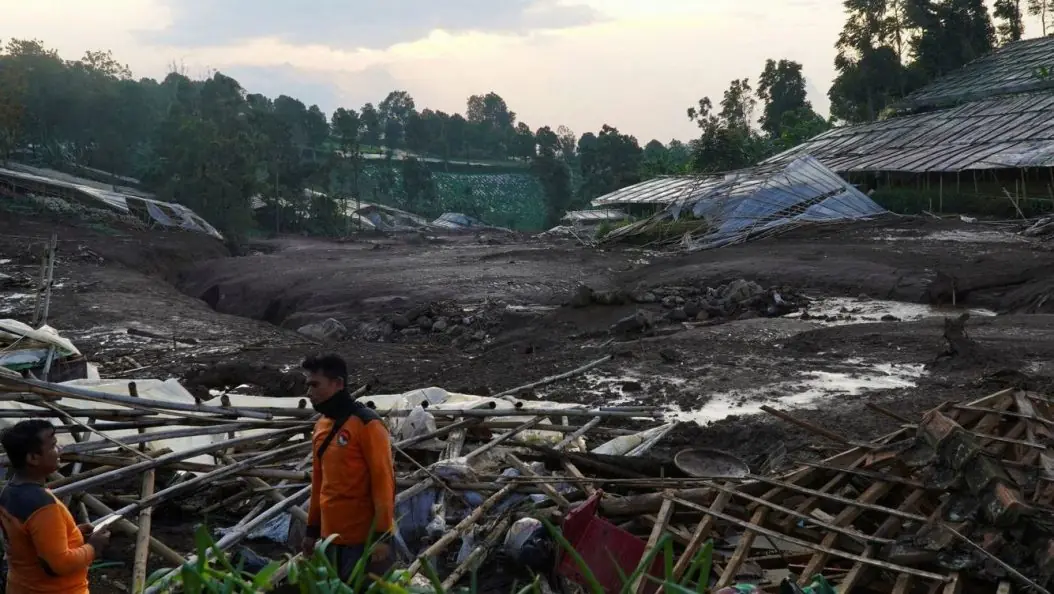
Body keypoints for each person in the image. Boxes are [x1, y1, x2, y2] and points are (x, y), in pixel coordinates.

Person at [301, 354, 396, 583]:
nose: (309, 392)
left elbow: (383, 482)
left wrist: (382, 536)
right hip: (330, 538)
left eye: (315, 385)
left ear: (338, 383)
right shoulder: (322, 425)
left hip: (362, 541)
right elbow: (319, 482)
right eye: (308, 385)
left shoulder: (367, 424)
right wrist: (312, 530)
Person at [0, 420, 110, 594]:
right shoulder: (43, 506)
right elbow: (58, 565)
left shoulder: (9, 492)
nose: (59, 449)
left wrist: (73, 534)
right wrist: (93, 547)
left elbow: (30, 543)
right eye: (53, 446)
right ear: (33, 458)